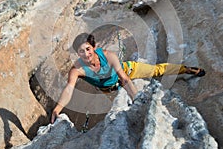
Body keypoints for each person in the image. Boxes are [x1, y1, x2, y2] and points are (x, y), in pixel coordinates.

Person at [51, 33, 205, 123]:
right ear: (77, 53)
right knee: (123, 112)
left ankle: (186, 69)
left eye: (88, 49)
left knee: (156, 70)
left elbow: (124, 79)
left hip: (128, 71)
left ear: (94, 47)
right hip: (109, 90)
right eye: (81, 51)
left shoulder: (108, 56)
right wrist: (58, 109)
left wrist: (136, 98)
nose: (86, 54)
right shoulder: (77, 69)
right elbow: (69, 89)